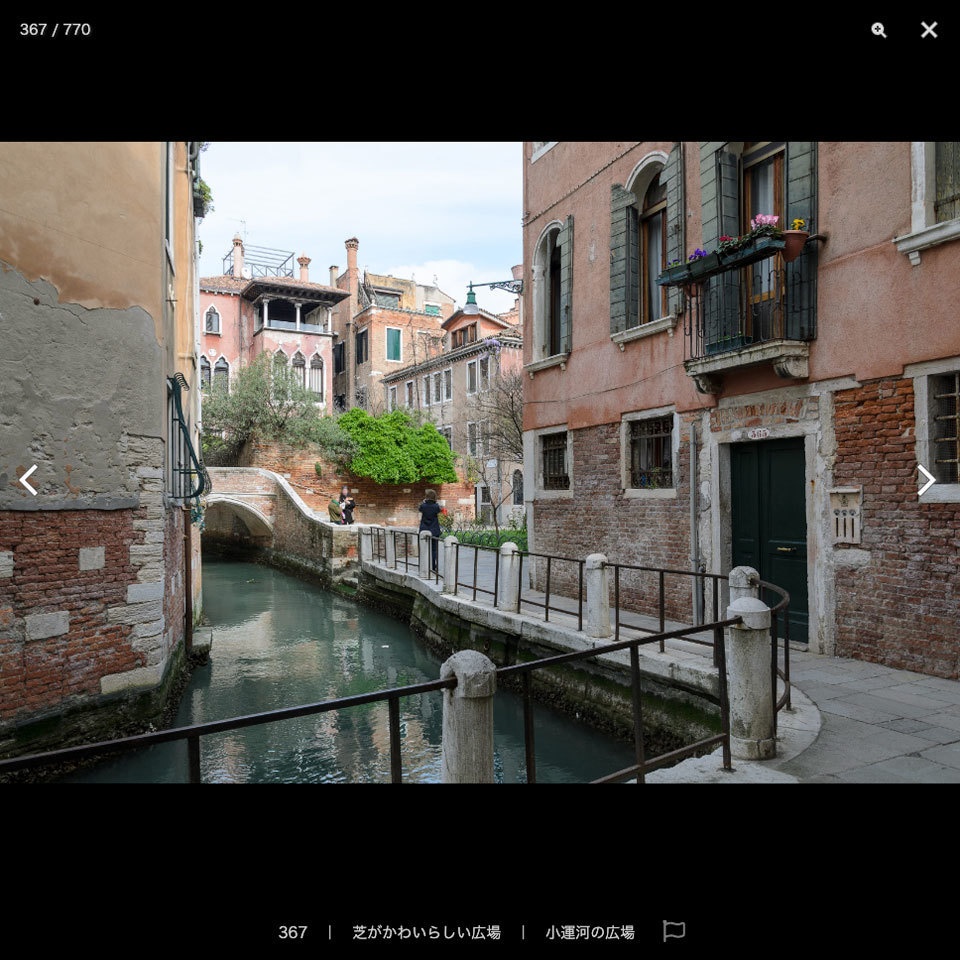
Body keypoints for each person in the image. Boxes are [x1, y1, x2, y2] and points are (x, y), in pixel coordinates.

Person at [418, 489, 443, 572]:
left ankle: (424, 566)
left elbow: (420, 509)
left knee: (423, 549)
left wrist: (424, 501)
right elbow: (440, 510)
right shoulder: (436, 506)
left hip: (424, 529)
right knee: (434, 550)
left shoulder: (423, 506)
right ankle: (432, 566)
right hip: (434, 530)